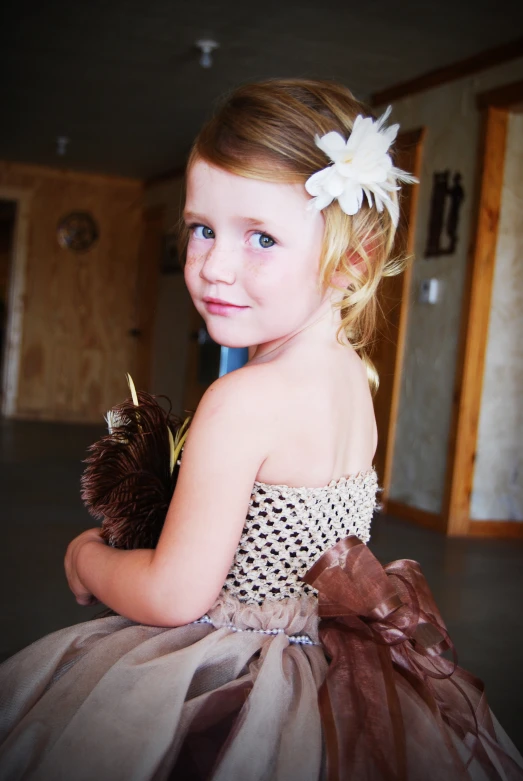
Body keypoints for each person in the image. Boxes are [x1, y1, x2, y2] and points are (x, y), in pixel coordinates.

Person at [0, 79, 521, 781]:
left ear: (352, 260)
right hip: (325, 658)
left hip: (239, 674)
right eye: (202, 228)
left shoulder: (240, 400)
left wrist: (88, 557)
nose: (213, 264)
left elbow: (174, 593)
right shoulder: (354, 379)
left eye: (261, 237)